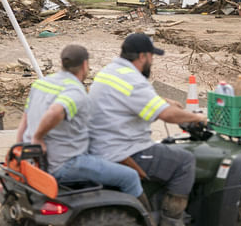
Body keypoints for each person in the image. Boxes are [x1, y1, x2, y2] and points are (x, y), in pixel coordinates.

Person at [88, 33, 208, 226]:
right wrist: (198, 117)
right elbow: (167, 115)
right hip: (123, 150)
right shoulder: (134, 81)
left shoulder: (110, 71)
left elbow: (129, 98)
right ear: (143, 56)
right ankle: (171, 221)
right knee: (185, 161)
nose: (152, 62)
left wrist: (163, 101)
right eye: (152, 57)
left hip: (100, 145)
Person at [15, 44, 149, 209]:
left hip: (36, 163)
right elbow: (55, 112)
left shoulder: (41, 84)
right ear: (85, 65)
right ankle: (148, 219)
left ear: (62, 63)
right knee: (130, 177)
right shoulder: (76, 92)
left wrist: (21, 149)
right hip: (65, 164)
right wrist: (38, 137)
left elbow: (24, 122)